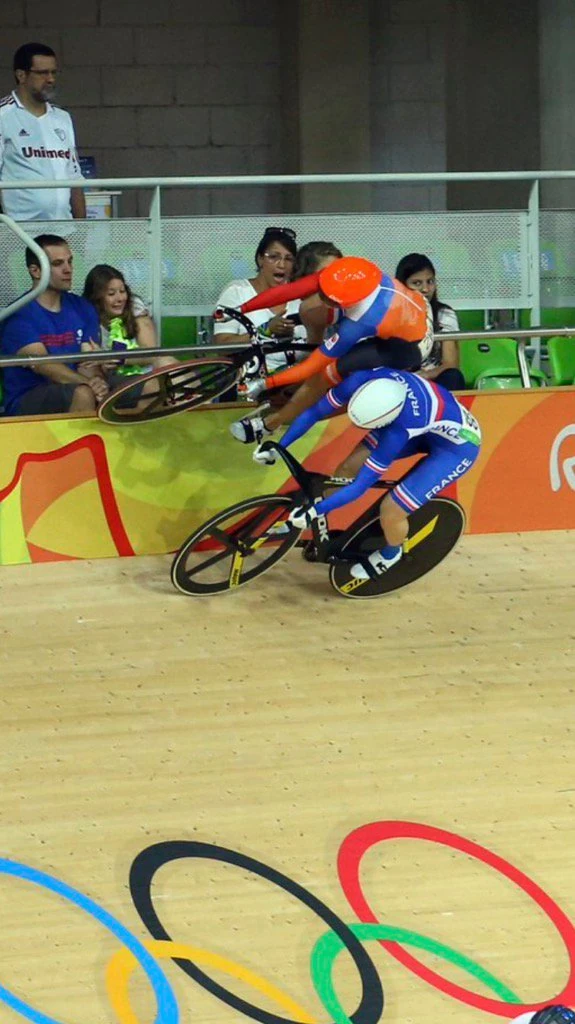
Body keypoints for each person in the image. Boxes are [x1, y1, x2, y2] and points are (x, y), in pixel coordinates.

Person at [270, 366, 481, 581]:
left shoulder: (398, 431)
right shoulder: (364, 376)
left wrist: (315, 510)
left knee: (391, 509)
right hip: (423, 423)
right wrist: (281, 445)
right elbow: (316, 411)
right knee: (347, 469)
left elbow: (360, 486)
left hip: (456, 448)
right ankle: (317, 524)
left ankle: (392, 553)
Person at [229, 255, 433, 447]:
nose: (321, 296)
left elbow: (313, 365)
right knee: (311, 310)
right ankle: (294, 402)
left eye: (329, 298)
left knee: (325, 375)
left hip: (411, 345)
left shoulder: (360, 322)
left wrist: (265, 383)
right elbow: (291, 290)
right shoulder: (342, 273)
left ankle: (271, 424)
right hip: (409, 307)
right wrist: (242, 308)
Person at [0, 234, 105, 416]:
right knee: (83, 393)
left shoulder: (82, 306)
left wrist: (97, 383)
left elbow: (87, 361)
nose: (68, 270)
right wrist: (86, 384)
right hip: (28, 397)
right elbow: (43, 365)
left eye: (69, 262)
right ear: (35, 271)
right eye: (58, 264)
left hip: (76, 385)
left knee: (152, 384)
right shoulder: (18, 314)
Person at [0, 42, 85, 221]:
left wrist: (81, 231)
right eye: (42, 73)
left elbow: (75, 179)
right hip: (20, 233)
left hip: (63, 232)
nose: (51, 79)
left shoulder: (62, 118)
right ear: (21, 75)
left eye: (54, 72)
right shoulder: (3, 115)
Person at [212, 227, 301, 374]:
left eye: (289, 259)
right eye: (273, 257)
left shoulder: (301, 296)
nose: (281, 265)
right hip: (250, 382)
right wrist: (264, 331)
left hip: (297, 378)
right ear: (260, 259)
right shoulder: (237, 291)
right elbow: (222, 347)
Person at [82, 264, 173, 374]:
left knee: (165, 362)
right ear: (96, 297)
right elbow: (89, 363)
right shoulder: (87, 315)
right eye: (111, 294)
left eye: (122, 291)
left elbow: (150, 353)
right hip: (113, 380)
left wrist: (117, 358)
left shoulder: (134, 307)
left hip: (145, 374)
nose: (120, 298)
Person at [395, 252, 465, 391]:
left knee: (453, 376)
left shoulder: (445, 314)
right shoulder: (391, 315)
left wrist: (425, 376)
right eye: (417, 283)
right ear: (402, 285)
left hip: (433, 379)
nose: (426, 289)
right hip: (400, 380)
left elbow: (450, 364)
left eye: (430, 281)